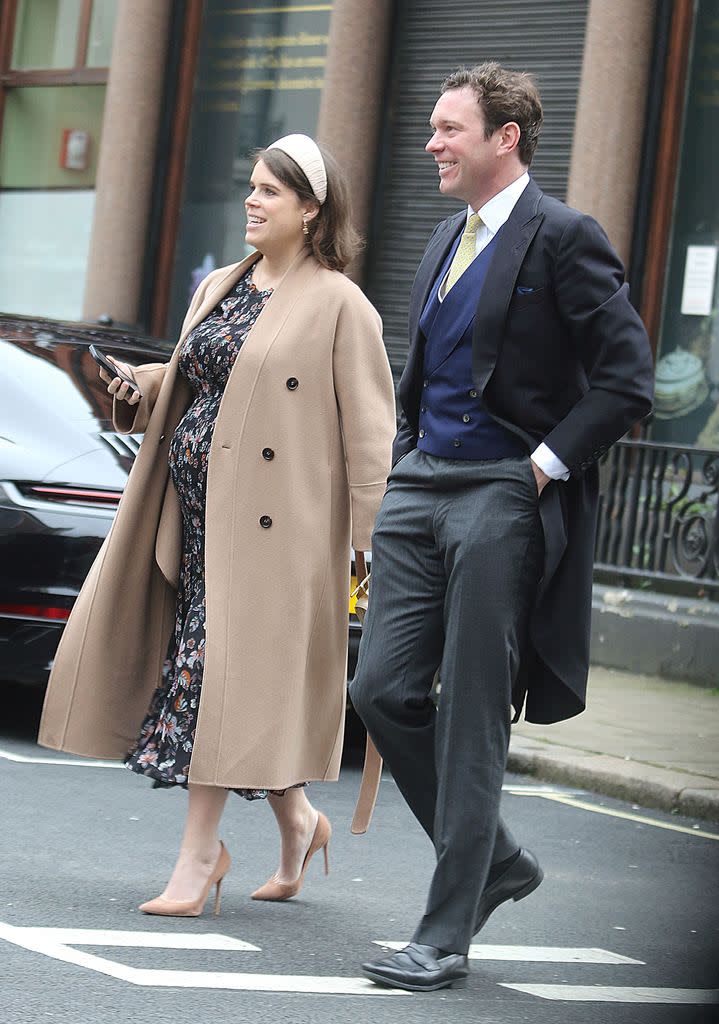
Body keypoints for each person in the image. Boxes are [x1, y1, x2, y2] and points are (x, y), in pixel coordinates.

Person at [349, 63, 654, 991]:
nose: (431, 144)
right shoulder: (444, 235)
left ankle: (442, 936)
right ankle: (499, 863)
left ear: (503, 138)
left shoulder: (564, 237)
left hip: (498, 493)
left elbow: (626, 376)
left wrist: (540, 467)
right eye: (434, 128)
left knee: (472, 716)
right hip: (418, 488)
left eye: (448, 129)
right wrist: (403, 463)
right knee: (380, 691)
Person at [39, 134, 396, 917]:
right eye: (252, 185)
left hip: (280, 539)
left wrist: (368, 548)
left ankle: (201, 859)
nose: (252, 200)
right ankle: (298, 824)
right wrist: (143, 382)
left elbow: (372, 432)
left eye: (271, 191)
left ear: (311, 211)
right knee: (233, 689)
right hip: (192, 519)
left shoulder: (341, 305)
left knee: (212, 683)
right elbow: (209, 373)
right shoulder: (223, 286)